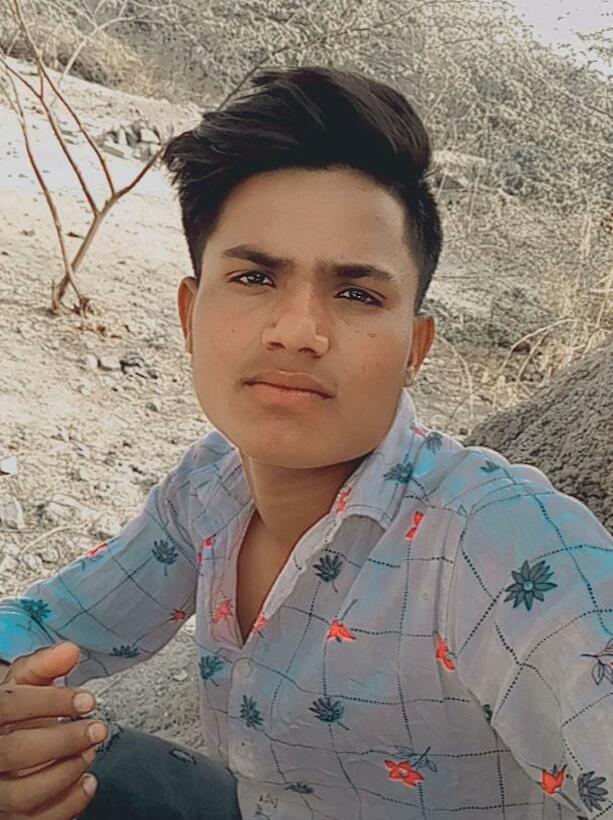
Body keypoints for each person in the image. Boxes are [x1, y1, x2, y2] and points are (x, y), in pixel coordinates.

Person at [0, 65, 611, 820]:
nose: (297, 331)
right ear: (190, 314)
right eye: (255, 278)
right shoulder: (209, 487)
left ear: (415, 348)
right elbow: (45, 626)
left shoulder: (503, 547)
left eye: (356, 293)